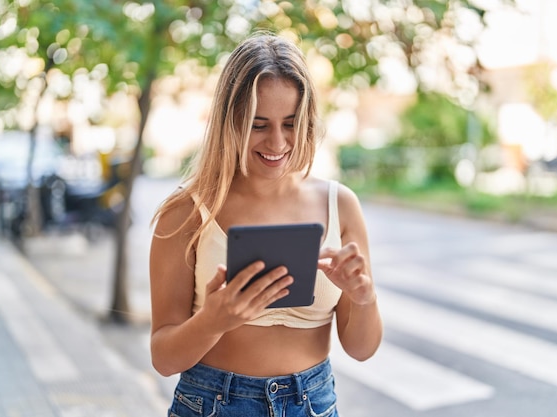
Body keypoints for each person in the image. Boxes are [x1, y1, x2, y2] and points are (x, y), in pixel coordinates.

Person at [149, 32, 382, 417]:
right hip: (211, 404)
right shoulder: (186, 213)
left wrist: (363, 297)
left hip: (313, 404)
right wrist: (214, 320)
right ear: (230, 121)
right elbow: (163, 357)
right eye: (259, 124)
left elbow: (361, 349)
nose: (277, 142)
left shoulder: (340, 204)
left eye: (291, 123)